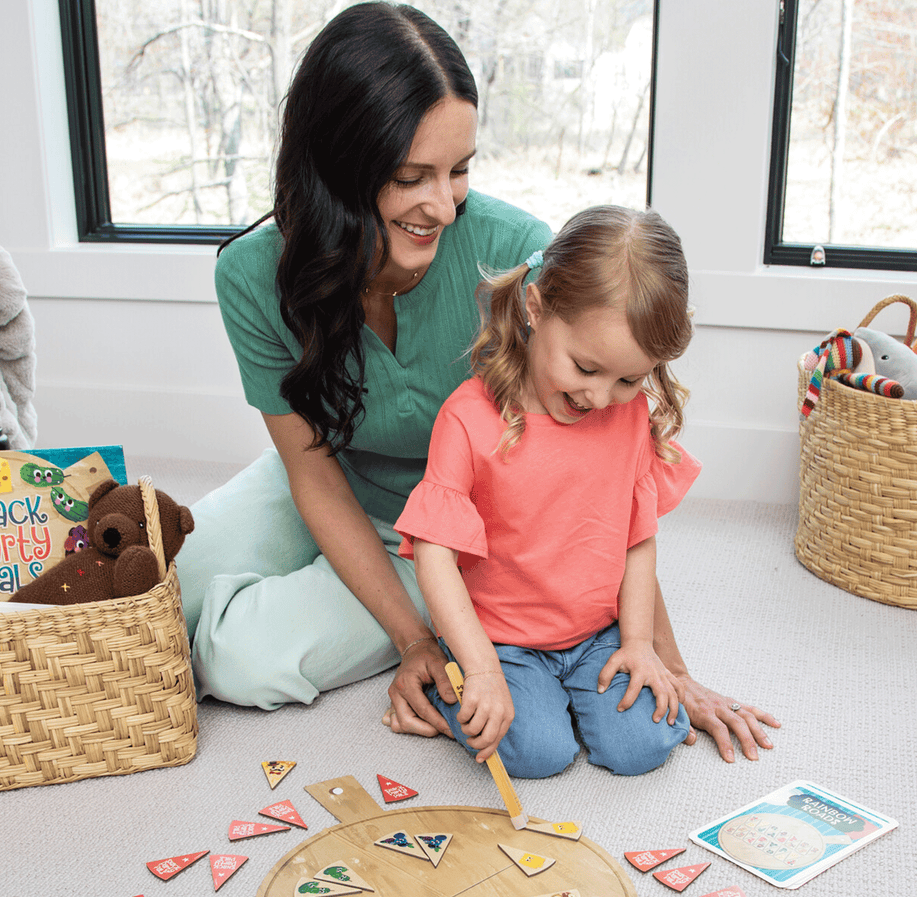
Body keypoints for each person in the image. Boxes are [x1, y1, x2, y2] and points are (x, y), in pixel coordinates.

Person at [182, 1, 778, 763]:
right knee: (164, 584)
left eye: (459, 170)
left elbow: (604, 477)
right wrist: (405, 635)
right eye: (410, 176)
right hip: (327, 477)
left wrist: (674, 667)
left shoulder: (518, 256)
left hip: (459, 534)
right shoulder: (251, 274)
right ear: (335, 168)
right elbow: (310, 471)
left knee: (238, 660)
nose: (442, 204)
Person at [395, 205, 700, 778]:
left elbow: (638, 539)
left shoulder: (628, 415)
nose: (602, 397)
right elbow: (433, 557)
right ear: (536, 309)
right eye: (585, 367)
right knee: (539, 753)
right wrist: (481, 669)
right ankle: (451, 685)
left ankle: (576, 689)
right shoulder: (468, 418)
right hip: (502, 642)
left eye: (629, 379)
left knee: (644, 744)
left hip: (594, 635)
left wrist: (638, 644)